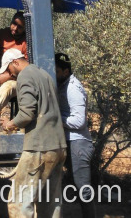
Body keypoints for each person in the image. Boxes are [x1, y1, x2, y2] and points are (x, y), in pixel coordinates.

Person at [0, 49, 67, 217]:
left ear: (15, 62)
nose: (10, 74)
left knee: (19, 199)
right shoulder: (45, 75)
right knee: (50, 202)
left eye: (9, 69)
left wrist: (10, 124)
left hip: (39, 148)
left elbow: (26, 114)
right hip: (58, 146)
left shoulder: (25, 76)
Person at [55, 52, 96, 218]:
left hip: (78, 143)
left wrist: (56, 118)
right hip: (70, 141)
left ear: (66, 72)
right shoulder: (63, 85)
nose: (54, 74)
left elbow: (79, 121)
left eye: (56, 71)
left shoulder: (73, 88)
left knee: (83, 190)